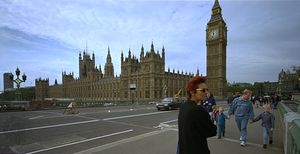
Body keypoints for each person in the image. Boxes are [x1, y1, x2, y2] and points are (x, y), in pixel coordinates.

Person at [178, 76, 217, 154]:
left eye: (207, 89)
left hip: (183, 149)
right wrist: (215, 122)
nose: (206, 92)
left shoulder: (183, 106)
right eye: (203, 90)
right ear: (192, 92)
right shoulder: (199, 110)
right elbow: (212, 132)